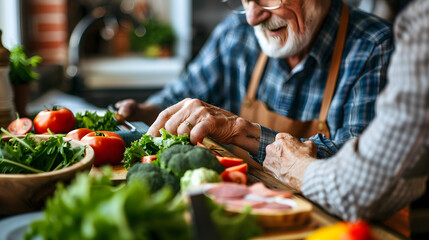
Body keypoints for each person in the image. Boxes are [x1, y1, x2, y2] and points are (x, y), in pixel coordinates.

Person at [116, 0, 393, 163]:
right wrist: (145, 112)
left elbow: (361, 164)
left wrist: (239, 130)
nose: (252, 17)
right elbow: (183, 94)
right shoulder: (237, 32)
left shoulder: (374, 46)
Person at [262, 0, 429, 233]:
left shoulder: (407, 31)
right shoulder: (238, 31)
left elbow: (368, 182)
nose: (252, 18)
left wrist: (295, 165)